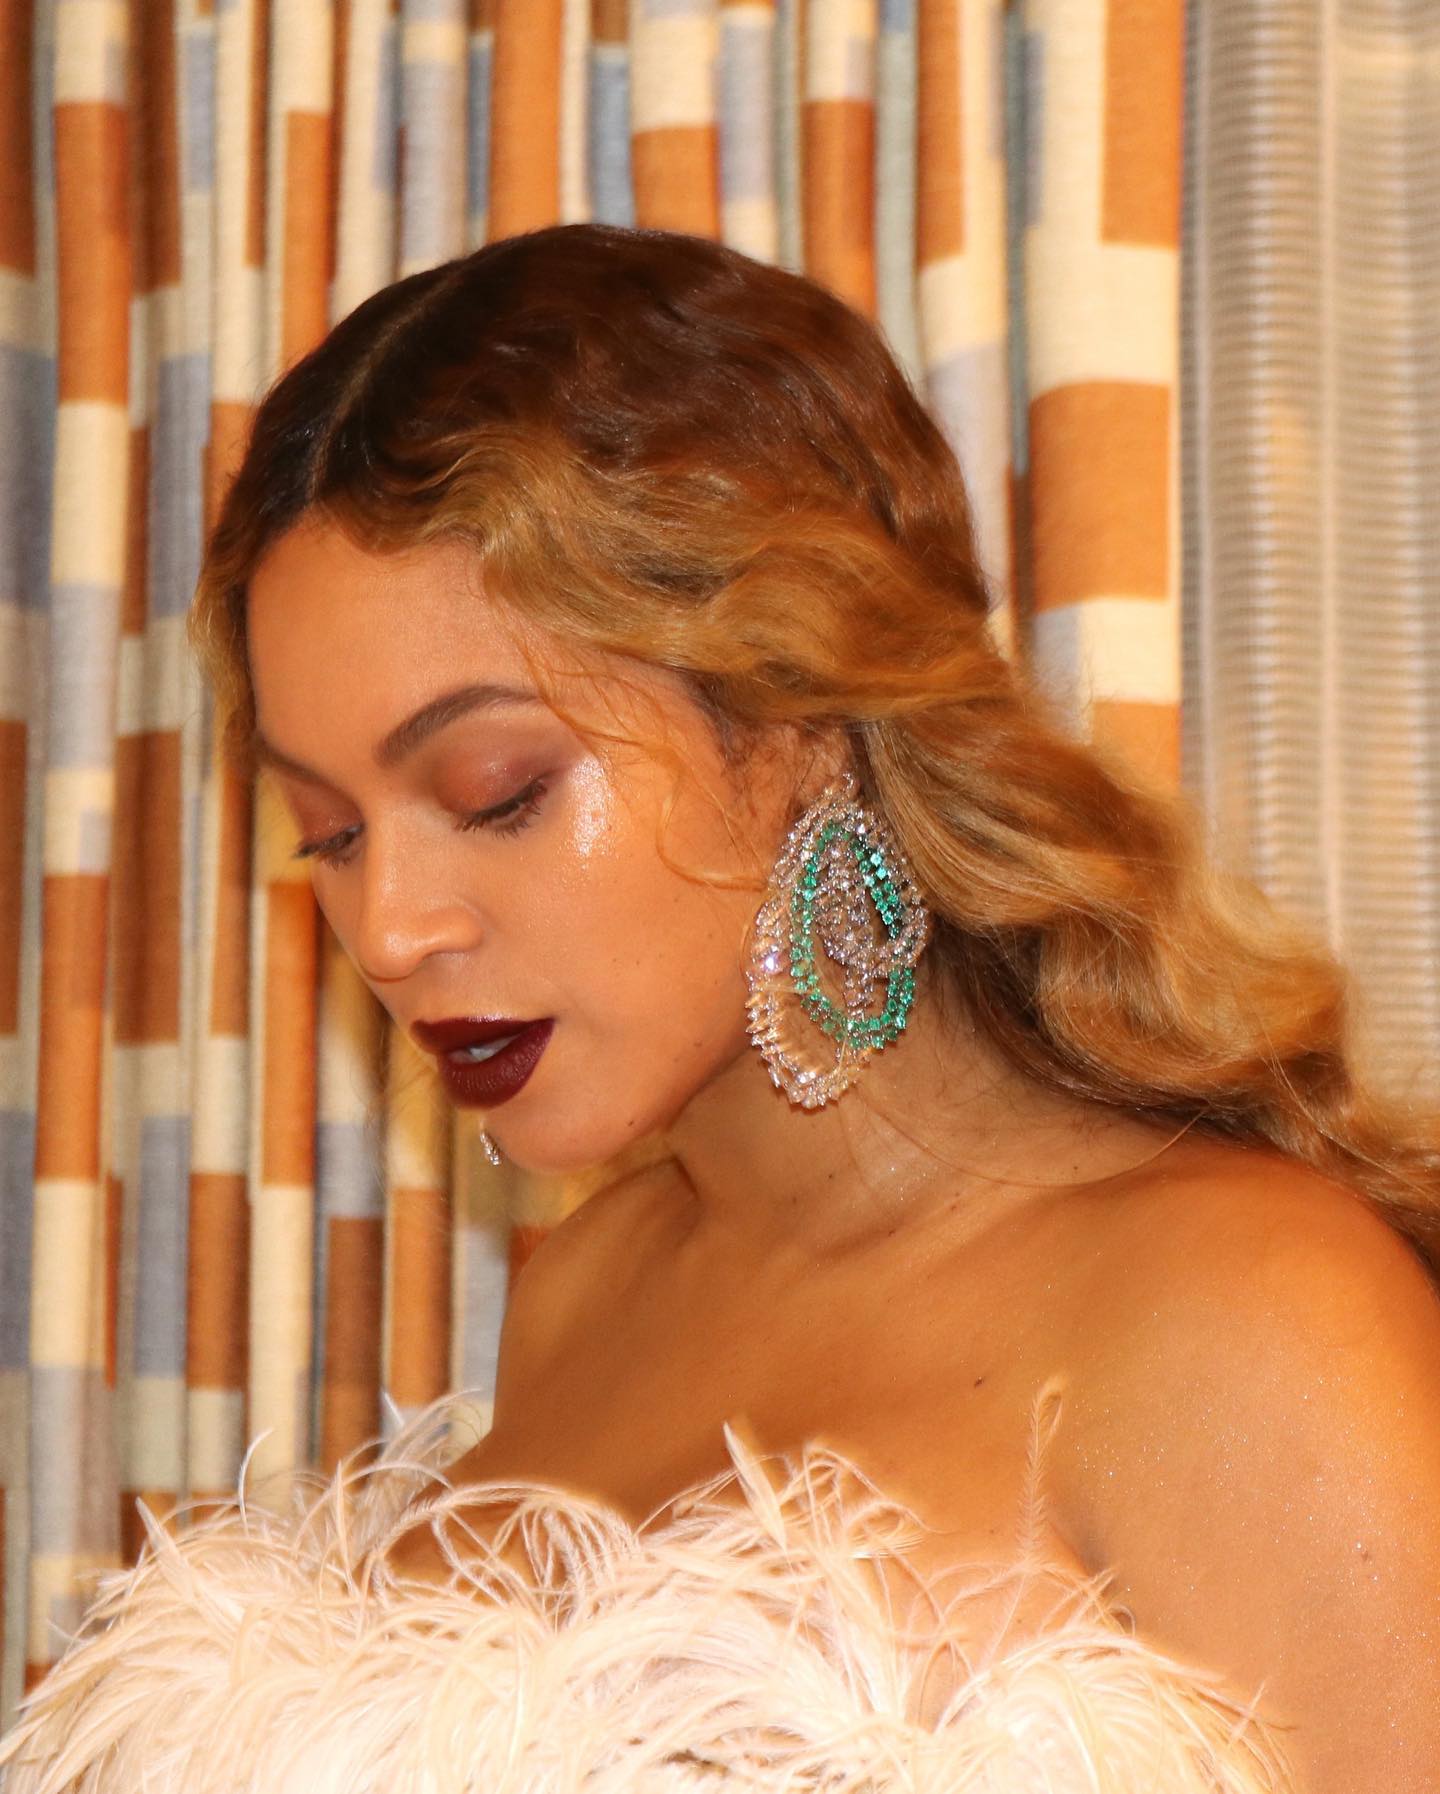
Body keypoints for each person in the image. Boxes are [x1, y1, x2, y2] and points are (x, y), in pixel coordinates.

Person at [3, 222, 1439, 1793]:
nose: (394, 929)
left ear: (803, 724)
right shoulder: (583, 1292)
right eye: (330, 834)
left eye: (497, 791)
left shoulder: (1253, 1318)